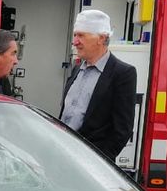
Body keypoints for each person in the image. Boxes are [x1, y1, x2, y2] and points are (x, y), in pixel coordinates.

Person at [59, 9, 137, 159]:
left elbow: (122, 130)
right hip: (63, 153)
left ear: (101, 38)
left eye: (81, 35)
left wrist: (98, 162)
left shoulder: (123, 73)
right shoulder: (77, 69)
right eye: (75, 35)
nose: (75, 41)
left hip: (91, 162)